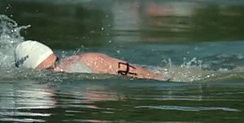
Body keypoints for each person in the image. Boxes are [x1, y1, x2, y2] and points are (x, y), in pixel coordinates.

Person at [14, 40, 165, 80]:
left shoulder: (90, 61)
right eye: (48, 72)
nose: (57, 70)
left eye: (56, 64)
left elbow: (151, 77)